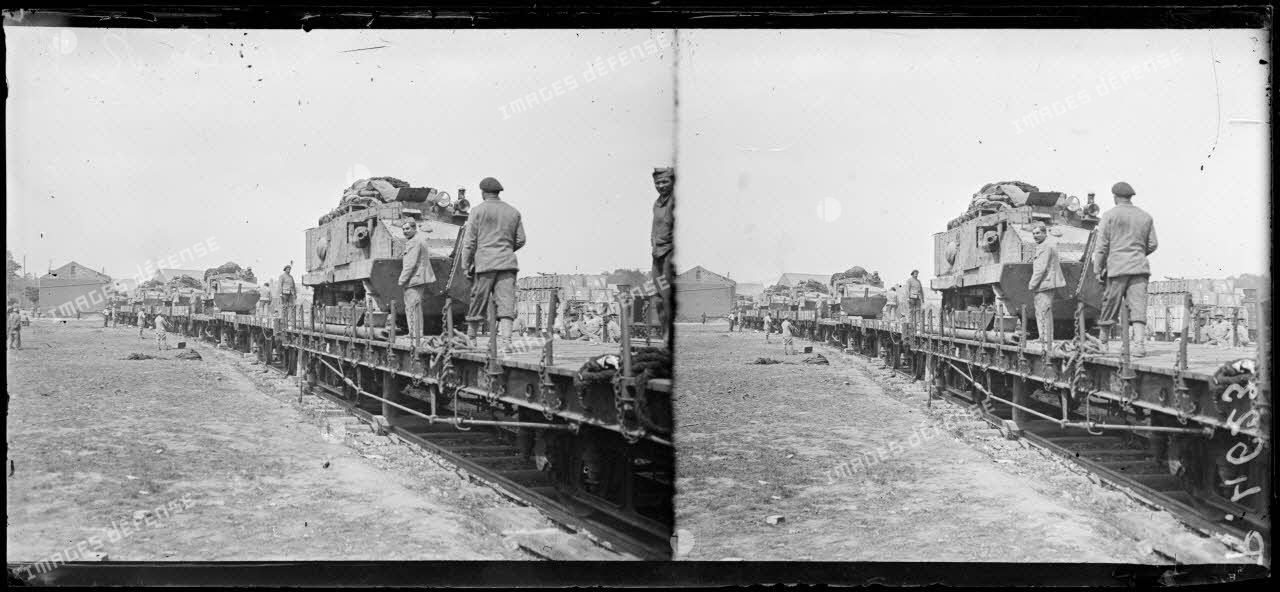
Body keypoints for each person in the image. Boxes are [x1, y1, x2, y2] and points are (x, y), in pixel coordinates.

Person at [459, 176, 526, 353]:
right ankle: (506, 342)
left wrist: (465, 265)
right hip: (507, 264)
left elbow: (469, 242)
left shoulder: (477, 211)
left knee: (477, 301)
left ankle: (471, 340)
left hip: (484, 264)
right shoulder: (513, 212)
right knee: (506, 303)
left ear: (483, 193)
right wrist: (505, 249)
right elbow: (521, 239)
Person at [1092, 181, 1158, 357]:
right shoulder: (1145, 216)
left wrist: (1098, 269)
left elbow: (1101, 246)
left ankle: (1103, 344)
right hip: (1139, 268)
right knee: (1138, 306)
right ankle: (1139, 346)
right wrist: (1137, 254)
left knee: (1110, 305)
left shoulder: (1109, 215)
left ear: (1115, 197)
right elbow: (1153, 244)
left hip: (1117, 268)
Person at [1027, 222, 1066, 348]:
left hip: (1044, 283)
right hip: (1046, 282)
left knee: (1043, 311)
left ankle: (1045, 338)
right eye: (1033, 233)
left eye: (1038, 233)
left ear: (1045, 233)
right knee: (1042, 311)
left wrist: (1032, 284)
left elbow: (1041, 268)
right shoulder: (1048, 244)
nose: (1035, 235)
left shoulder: (1045, 246)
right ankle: (1043, 337)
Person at [398, 219, 436, 346]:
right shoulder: (419, 239)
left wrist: (402, 280)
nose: (405, 231)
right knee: (415, 306)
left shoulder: (413, 242)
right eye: (403, 229)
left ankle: (415, 334)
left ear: (414, 229)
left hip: (414, 278)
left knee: (412, 306)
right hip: (419, 277)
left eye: (407, 229)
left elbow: (410, 264)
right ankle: (414, 333)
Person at [650, 167, 675, 346]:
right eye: (657, 183)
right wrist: (653, 243)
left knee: (666, 295)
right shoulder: (657, 204)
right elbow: (654, 228)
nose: (661, 185)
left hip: (668, 253)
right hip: (657, 254)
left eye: (665, 181)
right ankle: (664, 332)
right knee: (658, 296)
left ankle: (669, 335)